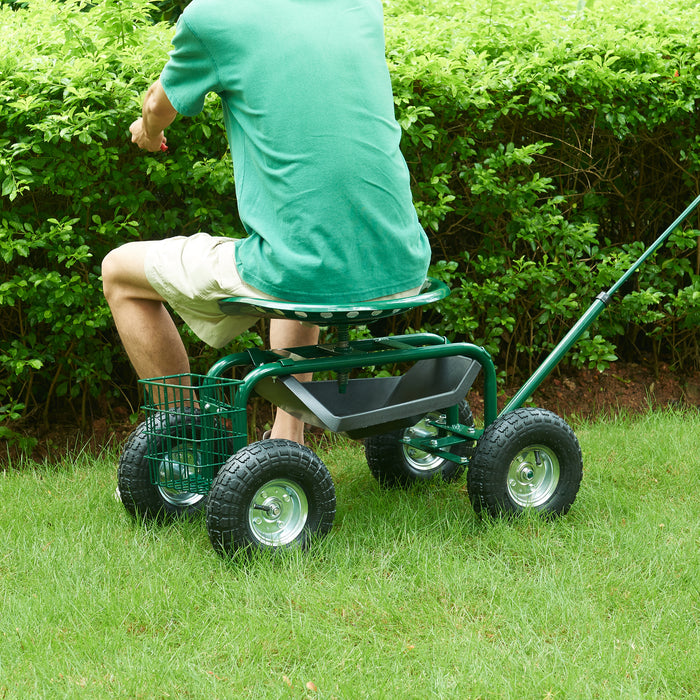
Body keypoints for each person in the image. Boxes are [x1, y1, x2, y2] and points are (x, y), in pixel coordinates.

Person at [101, 0, 431, 445]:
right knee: (300, 244)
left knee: (118, 272)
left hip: (297, 269)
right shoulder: (360, 5)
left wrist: (150, 132)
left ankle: (192, 441)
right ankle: (287, 437)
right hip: (403, 265)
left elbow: (160, 104)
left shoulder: (213, 17)